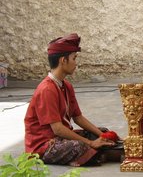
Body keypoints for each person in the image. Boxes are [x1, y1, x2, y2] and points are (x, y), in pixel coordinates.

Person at [24, 33, 122, 166]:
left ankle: (99, 153)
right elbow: (57, 129)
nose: (76, 63)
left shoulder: (66, 86)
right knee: (79, 146)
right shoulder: (46, 89)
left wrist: (104, 137)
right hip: (45, 145)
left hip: (61, 138)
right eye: (74, 58)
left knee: (101, 131)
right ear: (63, 60)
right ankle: (104, 154)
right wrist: (90, 142)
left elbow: (78, 118)